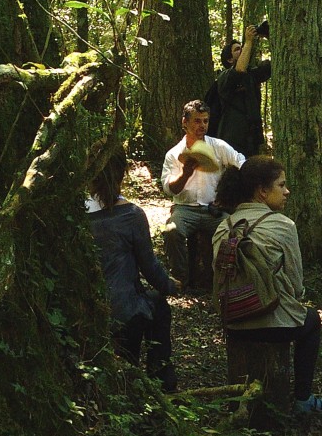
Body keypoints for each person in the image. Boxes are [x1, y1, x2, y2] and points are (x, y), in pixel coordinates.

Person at [214, 155, 322, 415]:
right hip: (273, 325)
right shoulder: (283, 225)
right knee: (311, 321)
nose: (287, 191)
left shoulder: (223, 227)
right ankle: (303, 399)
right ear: (262, 191)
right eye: (281, 185)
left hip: (233, 323)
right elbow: (296, 283)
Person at [88, 150, 178, 391]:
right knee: (158, 305)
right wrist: (171, 286)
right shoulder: (130, 214)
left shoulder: (74, 215)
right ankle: (162, 382)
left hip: (88, 308)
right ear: (122, 174)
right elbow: (149, 266)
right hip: (124, 309)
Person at [160, 100, 245, 279]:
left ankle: (224, 279)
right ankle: (180, 279)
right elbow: (170, 189)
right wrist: (185, 174)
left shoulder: (218, 146)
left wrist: (227, 197)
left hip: (213, 209)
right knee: (171, 232)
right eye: (197, 121)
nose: (202, 126)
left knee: (234, 231)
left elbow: (241, 163)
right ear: (185, 122)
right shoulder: (174, 154)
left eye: (205, 121)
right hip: (185, 209)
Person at [207, 23, 271, 159]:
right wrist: (248, 41)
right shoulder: (224, 77)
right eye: (237, 50)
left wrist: (268, 36)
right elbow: (240, 69)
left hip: (251, 139)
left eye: (242, 48)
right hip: (231, 140)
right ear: (229, 59)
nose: (241, 50)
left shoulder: (251, 75)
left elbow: (273, 65)